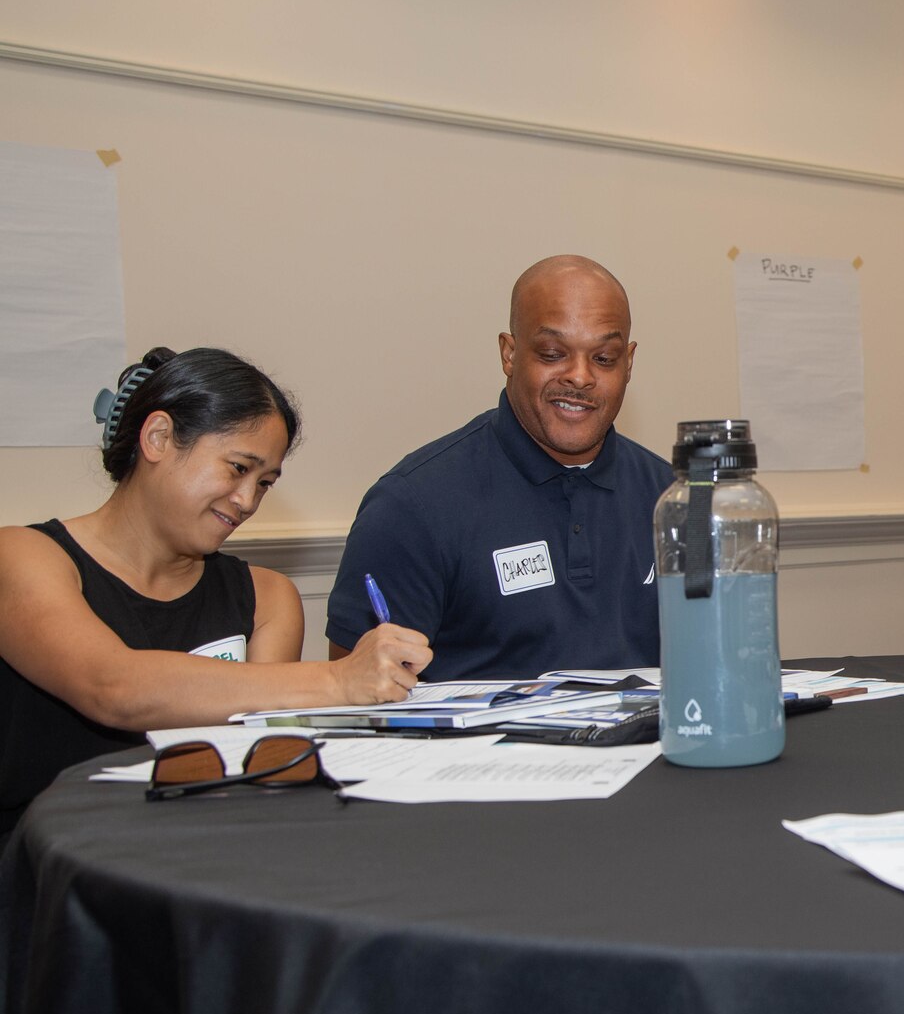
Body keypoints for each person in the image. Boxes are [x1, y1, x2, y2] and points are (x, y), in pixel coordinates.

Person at [0, 348, 430, 839]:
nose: (248, 501)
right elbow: (112, 687)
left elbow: (263, 763)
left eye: (264, 482)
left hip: (197, 858)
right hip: (47, 870)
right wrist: (337, 681)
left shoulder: (267, 598)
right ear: (158, 437)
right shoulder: (23, 557)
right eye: (236, 468)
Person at [326, 255, 675, 680]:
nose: (580, 377)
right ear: (509, 354)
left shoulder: (675, 498)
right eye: (552, 353)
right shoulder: (412, 503)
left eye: (604, 359)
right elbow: (356, 695)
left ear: (629, 363)